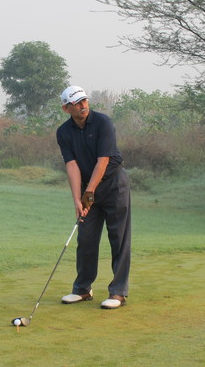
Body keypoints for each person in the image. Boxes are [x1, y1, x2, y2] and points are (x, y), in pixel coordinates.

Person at [56, 85, 131, 309]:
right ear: (66, 108)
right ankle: (82, 289)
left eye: (84, 100)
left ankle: (118, 292)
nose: (83, 105)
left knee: (118, 238)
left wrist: (89, 193)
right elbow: (72, 165)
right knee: (86, 238)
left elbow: (103, 161)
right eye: (77, 103)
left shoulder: (103, 123)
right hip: (88, 187)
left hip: (114, 185)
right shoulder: (63, 132)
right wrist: (77, 199)